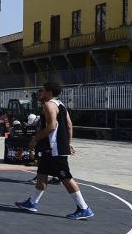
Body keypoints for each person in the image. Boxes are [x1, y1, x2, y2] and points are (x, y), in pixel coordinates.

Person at [15, 82, 95, 220]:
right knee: (42, 174)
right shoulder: (60, 105)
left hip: (54, 148)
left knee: (66, 177)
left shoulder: (49, 105)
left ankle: (83, 208)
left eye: (42, 90)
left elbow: (52, 126)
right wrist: (68, 143)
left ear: (50, 92)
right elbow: (69, 125)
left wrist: (35, 138)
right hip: (52, 148)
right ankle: (32, 203)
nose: (40, 93)